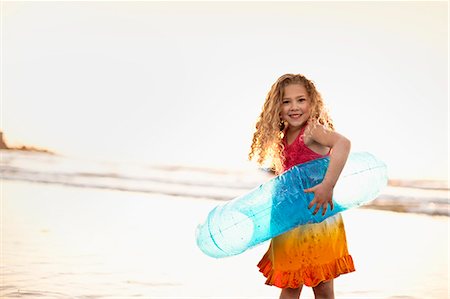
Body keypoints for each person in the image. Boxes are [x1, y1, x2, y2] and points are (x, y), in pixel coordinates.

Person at [248, 74, 355, 299]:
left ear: (312, 102)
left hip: (318, 216)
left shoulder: (312, 130)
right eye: (286, 101)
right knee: (290, 285)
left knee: (323, 287)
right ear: (276, 107)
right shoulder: (282, 137)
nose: (294, 107)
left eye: (301, 100)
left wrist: (328, 185)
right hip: (289, 221)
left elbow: (343, 143)